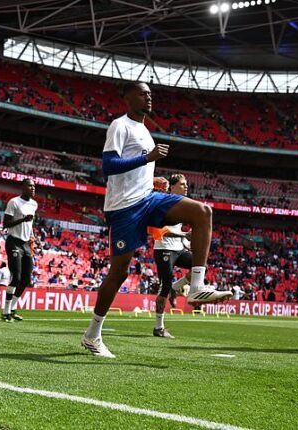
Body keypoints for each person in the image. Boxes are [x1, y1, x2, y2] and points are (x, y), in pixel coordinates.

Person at [81, 82, 230, 358]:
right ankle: (92, 335)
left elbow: (137, 171)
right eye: (142, 93)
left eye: (150, 93)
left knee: (203, 211)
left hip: (148, 198)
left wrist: (152, 178)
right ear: (126, 97)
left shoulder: (146, 132)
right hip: (124, 207)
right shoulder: (120, 125)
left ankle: (196, 287)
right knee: (119, 272)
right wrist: (146, 158)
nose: (148, 97)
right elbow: (109, 166)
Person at [147, 174, 194, 338]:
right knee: (164, 287)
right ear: (172, 187)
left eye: (186, 184)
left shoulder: (183, 205)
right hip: (164, 249)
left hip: (179, 248)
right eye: (182, 184)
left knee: (200, 265)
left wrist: (187, 239)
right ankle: (158, 328)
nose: (186, 187)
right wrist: (184, 235)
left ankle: (176, 287)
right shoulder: (163, 203)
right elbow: (157, 231)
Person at [1, 178, 38, 322]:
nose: (33, 188)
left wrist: (32, 237)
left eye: (34, 186)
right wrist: (22, 219)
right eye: (30, 186)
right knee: (15, 277)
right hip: (14, 242)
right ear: (23, 187)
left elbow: (30, 224)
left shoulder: (34, 204)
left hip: (26, 244)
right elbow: (5, 224)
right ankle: (5, 312)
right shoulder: (14, 202)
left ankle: (13, 309)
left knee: (27, 279)